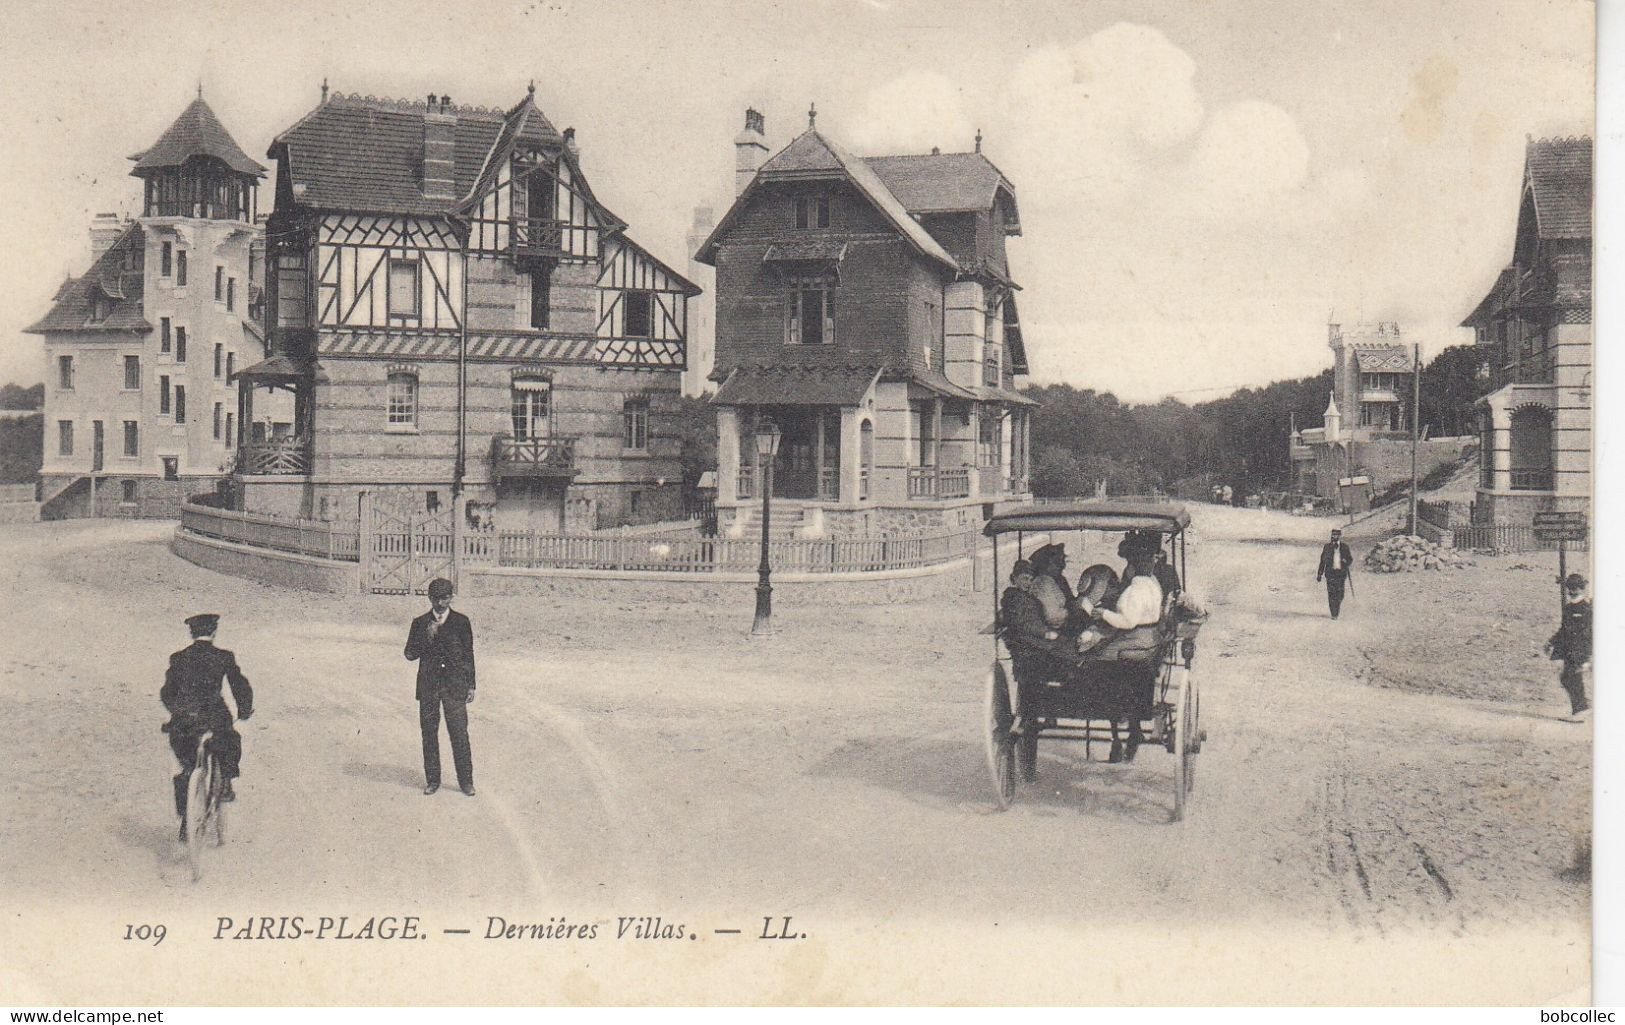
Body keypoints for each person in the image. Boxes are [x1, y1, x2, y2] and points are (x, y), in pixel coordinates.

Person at [162, 613, 253, 842]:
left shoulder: (178, 658)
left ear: (192, 633)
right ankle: (226, 783)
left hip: (186, 722)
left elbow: (167, 692)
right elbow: (240, 686)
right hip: (214, 717)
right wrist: (244, 710)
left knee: (187, 766)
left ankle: (186, 818)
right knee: (230, 741)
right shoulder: (223, 657)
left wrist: (178, 712)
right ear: (213, 632)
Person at [405, 577, 477, 796]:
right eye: (436, 599)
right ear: (429, 598)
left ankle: (466, 782)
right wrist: (425, 638)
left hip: (455, 687)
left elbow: (468, 655)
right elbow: (409, 654)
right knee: (429, 733)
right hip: (429, 688)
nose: (440, 604)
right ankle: (433, 780)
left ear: (451, 597)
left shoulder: (461, 622)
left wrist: (471, 685)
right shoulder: (419, 623)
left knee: (459, 735)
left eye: (445, 598)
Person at [1075, 542, 1165, 653]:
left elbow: (1128, 622)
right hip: (1151, 635)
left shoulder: (1135, 590)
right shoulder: (1152, 582)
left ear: (1133, 568)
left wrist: (1104, 614)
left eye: (1128, 565)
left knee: (1098, 653)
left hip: (1137, 638)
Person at [1545, 573, 1592, 719]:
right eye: (1569, 589)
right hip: (1569, 650)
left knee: (1570, 677)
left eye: (1575, 589)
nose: (1572, 592)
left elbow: (1589, 633)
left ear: (1581, 588)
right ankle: (1581, 707)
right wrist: (1551, 642)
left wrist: (1587, 656)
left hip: (1580, 650)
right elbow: (1563, 629)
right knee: (1569, 677)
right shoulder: (1568, 608)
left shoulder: (1586, 608)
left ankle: (1581, 708)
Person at [1027, 543, 1075, 631]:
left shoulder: (1060, 579)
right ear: (1044, 565)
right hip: (1055, 629)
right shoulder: (1042, 584)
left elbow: (1070, 600)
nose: (1062, 566)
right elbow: (1053, 617)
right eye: (1057, 562)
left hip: (1067, 622)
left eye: (1063, 560)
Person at [1316, 529, 1354, 619]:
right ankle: (1334, 613)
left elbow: (1350, 559)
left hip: (1341, 574)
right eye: (1333, 535)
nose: (1334, 536)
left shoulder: (1344, 547)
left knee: (1340, 594)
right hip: (1330, 574)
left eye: (1336, 535)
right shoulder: (1327, 547)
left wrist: (1346, 561)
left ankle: (1336, 606)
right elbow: (1322, 561)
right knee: (1332, 594)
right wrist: (1319, 574)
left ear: (1339, 536)